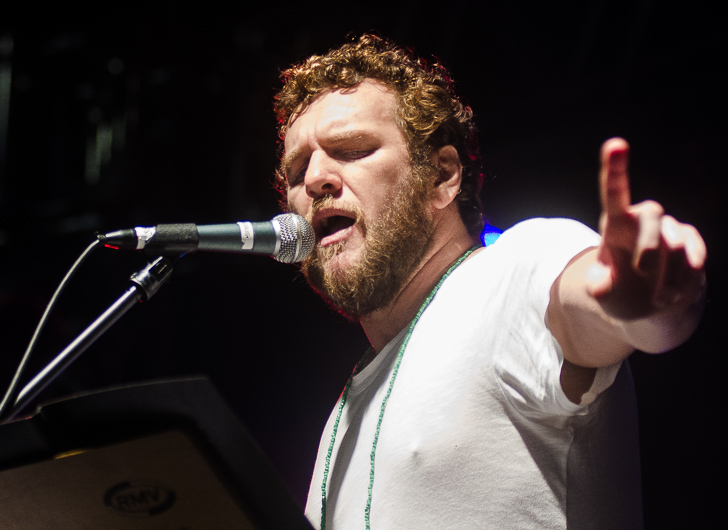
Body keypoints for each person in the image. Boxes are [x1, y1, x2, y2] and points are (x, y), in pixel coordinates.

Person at [273, 35, 706, 530]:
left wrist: (655, 301)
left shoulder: (511, 277)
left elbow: (618, 313)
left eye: (352, 149)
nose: (314, 180)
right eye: (296, 169)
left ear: (442, 176)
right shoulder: (342, 418)